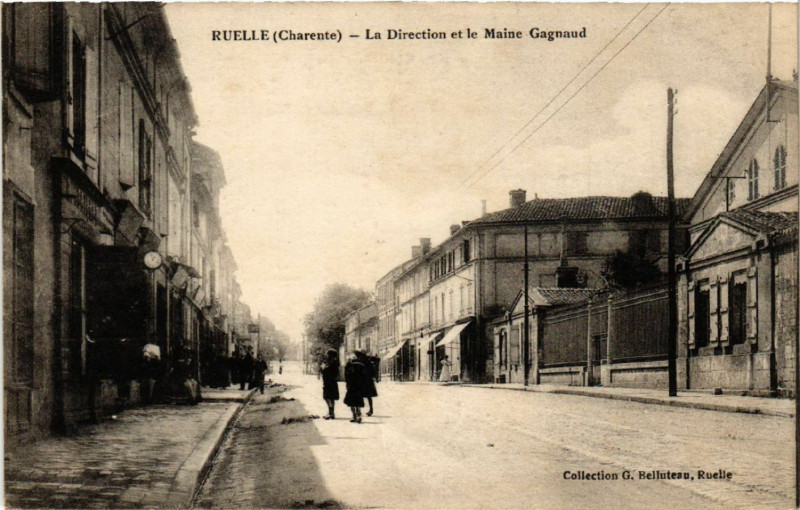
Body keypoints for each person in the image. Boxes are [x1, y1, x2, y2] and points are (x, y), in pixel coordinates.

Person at [343, 353, 366, 423]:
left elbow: (346, 376)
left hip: (351, 385)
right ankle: (358, 414)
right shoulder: (361, 366)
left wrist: (347, 384)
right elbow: (364, 377)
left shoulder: (348, 366)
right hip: (359, 386)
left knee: (351, 402)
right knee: (358, 401)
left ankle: (354, 415)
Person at [356, 351, 378, 416]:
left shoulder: (367, 362)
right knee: (361, 396)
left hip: (367, 381)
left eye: (359, 356)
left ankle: (370, 410)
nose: (358, 358)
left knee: (368, 396)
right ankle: (359, 410)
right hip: (363, 381)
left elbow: (372, 372)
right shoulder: (362, 362)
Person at [321, 349, 340, 419]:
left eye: (328, 354)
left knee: (327, 397)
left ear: (331, 355)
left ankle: (331, 412)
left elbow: (329, 371)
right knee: (331, 398)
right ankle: (331, 413)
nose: (327, 356)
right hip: (330, 381)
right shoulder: (328, 362)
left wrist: (323, 368)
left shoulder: (333, 363)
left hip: (329, 382)